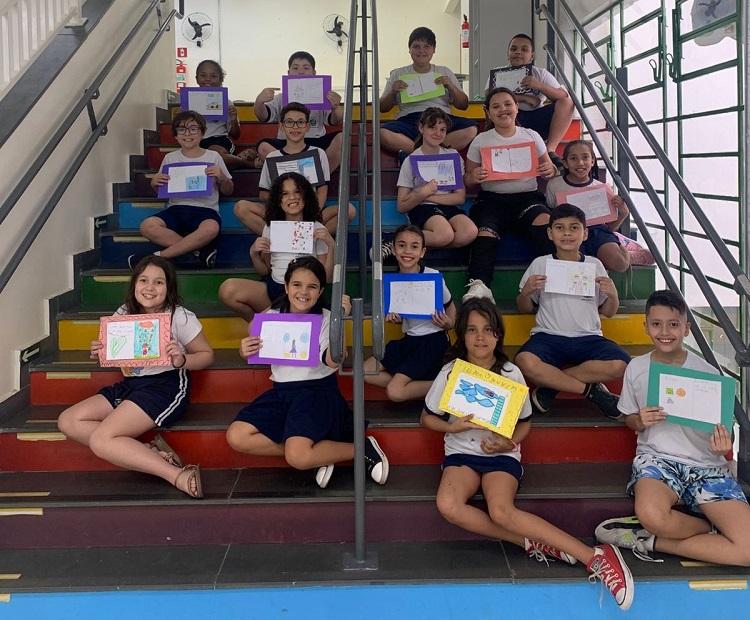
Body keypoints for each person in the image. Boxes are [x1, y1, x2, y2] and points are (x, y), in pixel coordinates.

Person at [420, 297, 634, 610]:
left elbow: (524, 425)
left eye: (488, 330)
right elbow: (427, 418)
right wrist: (453, 428)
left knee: (501, 511)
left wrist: (508, 444)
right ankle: (532, 543)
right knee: (448, 505)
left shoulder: (510, 372)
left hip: (501, 455)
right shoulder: (451, 372)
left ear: (498, 335)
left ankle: (595, 557)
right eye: (472, 330)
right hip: (461, 454)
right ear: (462, 335)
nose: (480, 337)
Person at [595, 289, 750, 566]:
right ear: (646, 327)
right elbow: (629, 418)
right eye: (657, 324)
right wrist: (639, 420)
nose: (665, 332)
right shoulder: (637, 368)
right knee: (652, 515)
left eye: (673, 324)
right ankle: (708, 530)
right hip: (657, 460)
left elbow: (724, 432)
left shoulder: (708, 374)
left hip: (707, 466)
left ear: (687, 328)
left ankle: (653, 542)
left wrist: (724, 445)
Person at [226, 256, 389, 489]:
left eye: (312, 287)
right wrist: (244, 350)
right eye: (297, 285)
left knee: (298, 457)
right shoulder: (271, 316)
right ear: (286, 287)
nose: (303, 292)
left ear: (320, 291)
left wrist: (340, 320)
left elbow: (333, 361)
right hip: (281, 393)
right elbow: (253, 349)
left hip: (316, 393)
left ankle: (361, 449)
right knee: (237, 436)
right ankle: (319, 452)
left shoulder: (326, 318)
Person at [57, 256, 214, 498]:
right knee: (68, 421)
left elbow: (206, 355)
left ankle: (178, 475)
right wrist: (101, 351)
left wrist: (182, 360)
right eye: (143, 280)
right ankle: (147, 451)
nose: (150, 287)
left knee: (101, 440)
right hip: (131, 385)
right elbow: (117, 352)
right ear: (134, 285)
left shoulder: (179, 316)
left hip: (166, 387)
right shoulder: (123, 312)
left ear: (169, 288)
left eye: (159, 282)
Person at [515, 203, 631, 418]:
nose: (567, 233)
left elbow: (609, 312)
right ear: (550, 233)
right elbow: (524, 309)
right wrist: (526, 293)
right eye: (559, 228)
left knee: (621, 364)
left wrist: (613, 296)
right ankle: (593, 392)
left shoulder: (595, 264)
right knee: (524, 362)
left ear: (585, 234)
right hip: (548, 336)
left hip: (589, 337)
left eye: (574, 228)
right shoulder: (541, 263)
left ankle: (551, 386)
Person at [462, 87, 557, 302]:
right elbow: (467, 179)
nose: (503, 109)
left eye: (507, 104)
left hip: (527, 198)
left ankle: (552, 282)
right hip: (492, 201)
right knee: (485, 232)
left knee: (547, 223)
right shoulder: (481, 140)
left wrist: (549, 170)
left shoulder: (531, 136)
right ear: (488, 113)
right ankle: (480, 284)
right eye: (496, 106)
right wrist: (474, 176)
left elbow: (550, 169)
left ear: (516, 108)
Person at [219, 172, 334, 323]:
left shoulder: (317, 229)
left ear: (306, 196)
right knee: (227, 289)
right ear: (278, 201)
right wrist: (253, 253)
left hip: (301, 291)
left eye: (297, 192)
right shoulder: (270, 228)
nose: (292, 197)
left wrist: (331, 245)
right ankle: (268, 326)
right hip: (274, 287)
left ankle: (276, 320)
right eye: (285, 194)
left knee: (293, 305)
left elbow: (327, 278)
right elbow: (265, 270)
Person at [363, 225, 456, 402]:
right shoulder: (393, 281)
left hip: (432, 342)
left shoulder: (432, 276)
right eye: (402, 245)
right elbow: (405, 316)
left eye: (414, 246)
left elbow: (450, 305)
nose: (407, 251)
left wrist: (449, 323)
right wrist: (396, 320)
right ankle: (419, 386)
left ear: (422, 252)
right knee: (365, 371)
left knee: (395, 392)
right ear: (393, 249)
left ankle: (445, 384)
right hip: (410, 340)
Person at [234, 102, 355, 238]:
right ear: (282, 126)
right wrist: (286, 201)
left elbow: (322, 190)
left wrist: (311, 212)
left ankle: (309, 239)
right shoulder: (272, 157)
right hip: (282, 212)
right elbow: (263, 194)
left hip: (309, 211)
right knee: (241, 207)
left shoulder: (318, 153)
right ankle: (280, 239)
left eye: (300, 122)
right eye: (289, 122)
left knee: (349, 210)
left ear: (307, 127)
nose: (295, 127)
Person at [133, 111, 233, 270]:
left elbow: (228, 190)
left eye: (193, 129)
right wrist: (154, 183)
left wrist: (222, 177)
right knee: (147, 226)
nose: (187, 134)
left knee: (211, 228)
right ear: (175, 135)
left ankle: (157, 257)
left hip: (206, 209)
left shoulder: (213, 157)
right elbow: (162, 191)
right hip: (176, 209)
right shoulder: (170, 158)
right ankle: (198, 252)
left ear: (202, 132)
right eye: (181, 129)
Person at [379, 27, 477, 159]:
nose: (421, 51)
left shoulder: (444, 71)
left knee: (471, 129)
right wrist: (392, 92)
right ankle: (430, 156)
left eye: (427, 46)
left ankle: (420, 156)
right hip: (409, 120)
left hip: (441, 118)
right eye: (416, 46)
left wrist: (451, 87)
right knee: (382, 133)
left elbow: (463, 105)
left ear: (434, 49)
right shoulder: (398, 73)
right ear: (409, 49)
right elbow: (382, 108)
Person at [390, 107, 477, 256]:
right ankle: (397, 241)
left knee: (469, 232)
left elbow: (459, 197)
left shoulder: (453, 156)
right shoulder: (411, 160)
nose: (438, 133)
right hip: (422, 208)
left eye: (443, 129)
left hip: (448, 206)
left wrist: (427, 195)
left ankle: (412, 248)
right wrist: (422, 195)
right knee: (445, 234)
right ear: (421, 128)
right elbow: (402, 206)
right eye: (432, 127)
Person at [485, 34, 574, 167]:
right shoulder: (497, 74)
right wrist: (524, 98)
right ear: (508, 54)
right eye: (514, 49)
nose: (518, 52)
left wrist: (539, 86)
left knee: (567, 102)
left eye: (524, 49)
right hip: (511, 120)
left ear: (532, 56)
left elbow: (563, 95)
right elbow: (488, 97)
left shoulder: (540, 73)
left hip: (538, 118)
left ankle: (550, 150)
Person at [545, 140, 630, 272]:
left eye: (585, 157)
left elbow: (609, 228)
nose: (580, 163)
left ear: (592, 161)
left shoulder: (601, 188)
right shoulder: (555, 185)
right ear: (565, 163)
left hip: (597, 232)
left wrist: (623, 214)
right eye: (573, 158)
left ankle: (622, 247)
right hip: (570, 231)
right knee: (574, 268)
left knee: (620, 264)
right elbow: (551, 209)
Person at [253, 51, 344, 171]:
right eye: (295, 68)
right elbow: (263, 116)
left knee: (342, 138)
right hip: (286, 142)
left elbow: (336, 121)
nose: (300, 72)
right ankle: (296, 176)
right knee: (263, 147)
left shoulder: (323, 96)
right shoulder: (281, 97)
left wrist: (336, 107)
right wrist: (259, 102)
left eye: (306, 68)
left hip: (315, 141)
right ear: (289, 73)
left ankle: (320, 177)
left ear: (314, 73)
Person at [193, 60, 253, 170]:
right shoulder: (189, 102)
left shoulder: (226, 102)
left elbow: (235, 135)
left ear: (220, 80)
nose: (208, 79)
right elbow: (178, 131)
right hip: (194, 141)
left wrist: (233, 120)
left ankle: (248, 164)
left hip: (218, 140)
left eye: (213, 76)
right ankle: (236, 159)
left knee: (215, 156)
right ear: (197, 79)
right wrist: (179, 118)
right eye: (203, 75)